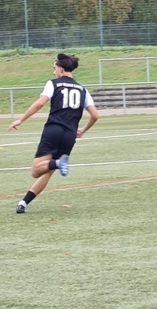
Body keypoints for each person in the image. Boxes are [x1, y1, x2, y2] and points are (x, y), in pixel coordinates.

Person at [8, 53, 99, 214]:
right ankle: (23, 203)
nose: (53, 72)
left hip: (53, 130)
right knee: (47, 170)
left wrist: (21, 120)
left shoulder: (53, 84)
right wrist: (83, 130)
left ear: (61, 69)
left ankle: (58, 163)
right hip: (70, 135)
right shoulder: (83, 90)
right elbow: (95, 115)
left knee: (36, 170)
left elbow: (40, 103)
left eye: (54, 68)